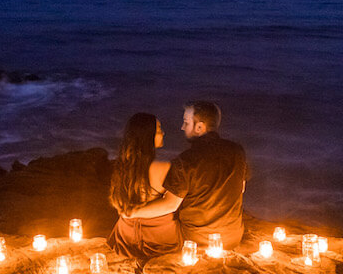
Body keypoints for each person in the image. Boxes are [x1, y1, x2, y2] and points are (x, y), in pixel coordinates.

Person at [123, 100, 248, 248]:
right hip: (233, 236)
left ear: (200, 127)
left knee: (160, 222)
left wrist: (131, 212)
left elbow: (170, 205)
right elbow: (241, 188)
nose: (182, 127)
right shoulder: (237, 150)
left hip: (197, 240)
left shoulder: (185, 161)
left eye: (186, 122)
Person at [106, 112, 182, 260]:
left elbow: (119, 203)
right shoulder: (165, 167)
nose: (163, 133)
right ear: (148, 135)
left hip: (125, 237)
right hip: (159, 238)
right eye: (159, 130)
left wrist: (130, 213)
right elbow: (171, 205)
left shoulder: (121, 167)